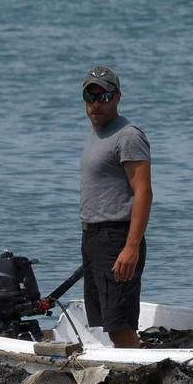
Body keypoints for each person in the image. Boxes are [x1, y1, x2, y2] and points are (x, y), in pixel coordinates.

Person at [78, 65, 152, 348]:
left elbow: (144, 192)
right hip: (94, 237)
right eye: (90, 96)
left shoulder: (128, 136)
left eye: (103, 97)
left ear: (117, 97)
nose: (96, 104)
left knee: (120, 325)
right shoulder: (98, 135)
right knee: (110, 324)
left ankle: (137, 380)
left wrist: (131, 247)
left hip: (117, 238)